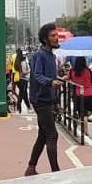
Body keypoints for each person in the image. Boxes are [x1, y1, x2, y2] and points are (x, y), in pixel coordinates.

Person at [24, 23, 63, 175]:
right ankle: (55, 171)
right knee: (52, 135)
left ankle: (31, 167)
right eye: (53, 36)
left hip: (48, 99)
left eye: (56, 35)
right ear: (45, 39)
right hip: (40, 100)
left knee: (43, 135)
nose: (56, 38)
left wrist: (58, 79)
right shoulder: (39, 55)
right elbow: (38, 75)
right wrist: (51, 82)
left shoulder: (51, 56)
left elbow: (50, 77)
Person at [68, 56, 92, 137]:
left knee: (82, 113)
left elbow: (67, 79)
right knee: (90, 111)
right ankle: (85, 127)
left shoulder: (71, 71)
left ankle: (83, 126)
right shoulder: (88, 71)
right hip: (89, 94)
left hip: (78, 94)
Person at [13, 48, 30, 113]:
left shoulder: (16, 61)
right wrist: (29, 70)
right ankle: (18, 108)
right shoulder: (23, 62)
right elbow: (24, 71)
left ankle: (28, 106)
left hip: (18, 79)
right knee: (21, 94)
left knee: (24, 93)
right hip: (23, 79)